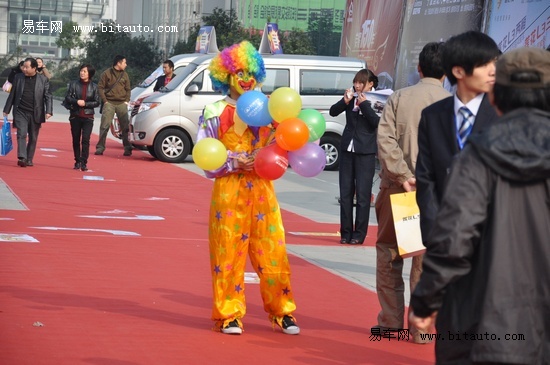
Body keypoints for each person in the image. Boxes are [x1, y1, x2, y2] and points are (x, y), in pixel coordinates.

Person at [410, 47, 550, 364]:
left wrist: (425, 301)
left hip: (482, 325)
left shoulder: (477, 155)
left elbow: (455, 236)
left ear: (496, 96)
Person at [196, 41, 300, 336]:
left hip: (263, 189)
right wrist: (233, 161)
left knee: (273, 251)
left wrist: (269, 156)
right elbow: (205, 157)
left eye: (249, 72)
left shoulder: (270, 109)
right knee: (227, 252)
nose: (245, 78)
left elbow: (286, 147)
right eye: (238, 71)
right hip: (229, 190)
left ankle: (283, 311)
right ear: (225, 75)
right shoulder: (214, 111)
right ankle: (229, 314)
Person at [374, 42, 451, 343]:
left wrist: (405, 176)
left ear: (418, 68)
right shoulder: (455, 105)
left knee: (390, 254)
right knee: (425, 260)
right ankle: (420, 329)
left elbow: (386, 142)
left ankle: (390, 321)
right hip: (437, 194)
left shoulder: (399, 98)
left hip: (398, 189)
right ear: (447, 73)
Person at [415, 31, 500, 244]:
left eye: (495, 63)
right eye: (484, 65)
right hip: (446, 237)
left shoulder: (506, 114)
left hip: (495, 240)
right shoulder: (433, 116)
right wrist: (435, 235)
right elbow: (427, 178)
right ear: (458, 71)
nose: (493, 71)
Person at [329, 69, 380, 245]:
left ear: (370, 84)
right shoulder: (351, 96)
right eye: (356, 82)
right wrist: (345, 102)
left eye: (361, 83)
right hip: (347, 149)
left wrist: (365, 105)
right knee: (345, 193)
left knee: (363, 195)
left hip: (365, 151)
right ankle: (345, 233)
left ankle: (359, 234)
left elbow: (377, 123)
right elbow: (333, 112)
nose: (357, 86)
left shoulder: (378, 99)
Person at [3, 57, 52, 167]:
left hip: (36, 112)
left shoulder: (43, 80)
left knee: (33, 137)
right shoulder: (18, 77)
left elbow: (48, 96)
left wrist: (49, 111)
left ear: (34, 68)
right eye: (23, 67)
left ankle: (29, 158)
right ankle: (22, 157)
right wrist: (6, 109)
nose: (24, 69)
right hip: (20, 111)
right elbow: (13, 94)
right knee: (22, 134)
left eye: (26, 67)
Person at [64, 64, 100, 171]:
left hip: (88, 116)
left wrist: (85, 104)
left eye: (84, 71)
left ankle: (84, 162)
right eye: (81, 71)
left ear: (90, 73)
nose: (82, 73)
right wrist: (76, 102)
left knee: (85, 139)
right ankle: (77, 161)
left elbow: (97, 102)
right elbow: (67, 97)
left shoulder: (94, 87)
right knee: (76, 139)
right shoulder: (73, 84)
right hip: (75, 115)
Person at [95, 55, 132, 156]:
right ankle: (100, 148)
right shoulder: (106, 73)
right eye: (124, 63)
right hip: (109, 103)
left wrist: (126, 101)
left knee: (125, 127)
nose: (126, 65)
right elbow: (100, 87)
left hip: (121, 103)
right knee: (104, 126)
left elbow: (128, 89)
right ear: (118, 63)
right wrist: (105, 101)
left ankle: (127, 148)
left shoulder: (125, 75)